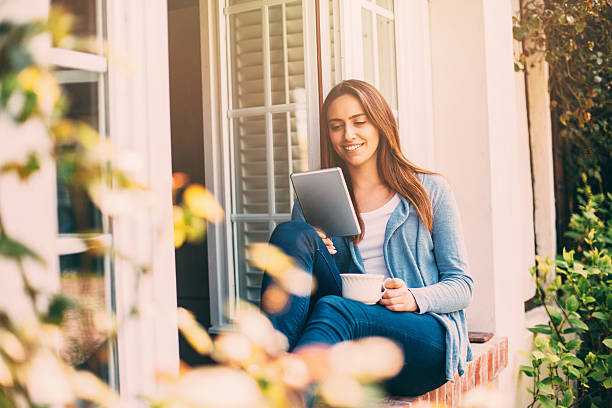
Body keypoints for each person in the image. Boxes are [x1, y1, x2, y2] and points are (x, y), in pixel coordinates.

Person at [260, 79, 473, 396]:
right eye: (336, 126)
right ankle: (270, 364)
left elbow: (462, 285)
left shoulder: (430, 191)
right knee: (293, 233)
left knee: (335, 308)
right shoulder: (314, 202)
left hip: (421, 341)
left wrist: (414, 297)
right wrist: (320, 249)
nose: (348, 135)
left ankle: (284, 393)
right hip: (347, 335)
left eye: (359, 122)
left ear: (381, 123)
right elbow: (301, 299)